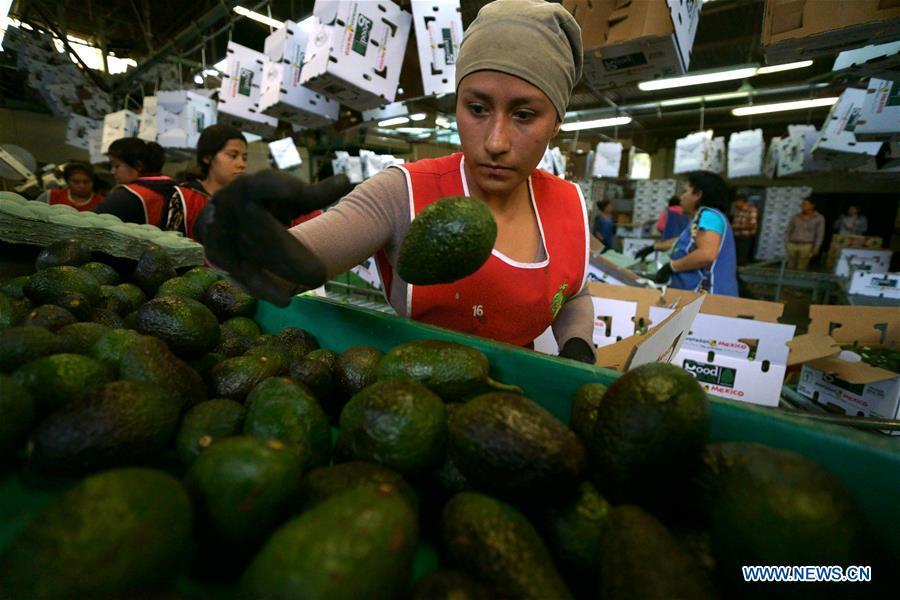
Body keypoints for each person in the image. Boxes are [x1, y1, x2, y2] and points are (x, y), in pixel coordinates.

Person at [196, 0, 596, 363]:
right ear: (456, 105)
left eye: (524, 115)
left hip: (519, 408)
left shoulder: (568, 204)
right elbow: (288, 263)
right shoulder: (403, 192)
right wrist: (235, 237)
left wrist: (577, 343)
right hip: (411, 399)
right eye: (477, 108)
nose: (496, 142)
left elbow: (575, 292)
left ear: (557, 121)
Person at [635, 171, 738, 296]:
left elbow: (706, 254)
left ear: (698, 194)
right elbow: (685, 242)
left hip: (710, 297)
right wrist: (654, 247)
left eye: (685, 191)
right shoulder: (704, 217)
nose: (681, 197)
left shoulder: (708, 216)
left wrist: (672, 266)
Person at [167, 125, 248, 239]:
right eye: (233, 155)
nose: (241, 164)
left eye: (244, 158)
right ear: (207, 157)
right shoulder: (184, 197)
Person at [94, 138, 178, 226]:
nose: (112, 171)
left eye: (116, 165)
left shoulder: (126, 195)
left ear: (138, 166)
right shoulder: (173, 189)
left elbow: (89, 224)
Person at [35, 162, 103, 211]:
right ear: (67, 182)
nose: (82, 186)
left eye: (86, 182)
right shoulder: (50, 196)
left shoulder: (102, 203)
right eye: (76, 182)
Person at [784, 197, 825, 271]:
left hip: (807, 246)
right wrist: (786, 243)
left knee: (802, 267)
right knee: (790, 266)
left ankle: (797, 282)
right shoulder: (795, 217)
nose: (802, 206)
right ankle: (788, 281)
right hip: (792, 244)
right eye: (802, 204)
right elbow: (788, 231)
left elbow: (820, 234)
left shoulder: (819, 218)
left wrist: (816, 248)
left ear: (812, 206)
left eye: (805, 204)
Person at [730, 194, 758, 266]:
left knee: (741, 258)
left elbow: (752, 225)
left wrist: (737, 227)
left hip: (745, 237)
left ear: (742, 202)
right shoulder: (737, 211)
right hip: (736, 236)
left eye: (737, 202)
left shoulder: (751, 210)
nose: (735, 204)